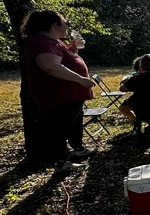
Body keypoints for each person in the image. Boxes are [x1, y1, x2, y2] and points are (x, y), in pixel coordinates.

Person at [22, 10, 96, 172]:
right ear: (55, 25)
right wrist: (80, 79)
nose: (66, 27)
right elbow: (50, 66)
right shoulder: (42, 42)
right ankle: (62, 162)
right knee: (60, 128)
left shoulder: (53, 41)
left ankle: (78, 149)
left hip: (70, 94)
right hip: (59, 95)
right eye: (64, 23)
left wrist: (73, 48)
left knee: (74, 122)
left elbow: (65, 60)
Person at [118, 56, 143, 129]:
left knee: (123, 108)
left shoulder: (136, 79)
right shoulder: (135, 77)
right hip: (140, 99)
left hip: (141, 100)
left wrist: (124, 83)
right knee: (123, 108)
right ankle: (137, 120)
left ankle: (139, 120)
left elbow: (122, 88)